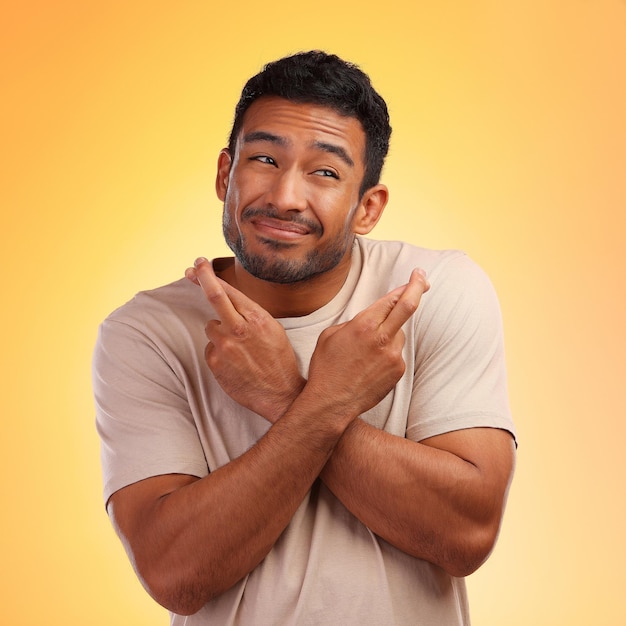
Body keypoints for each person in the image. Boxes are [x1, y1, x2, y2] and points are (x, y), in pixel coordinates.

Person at [93, 50, 516, 625]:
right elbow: (175, 574)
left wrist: (282, 392)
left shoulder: (433, 290)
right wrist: (324, 402)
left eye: (325, 172)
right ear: (225, 174)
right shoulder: (146, 333)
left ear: (368, 206)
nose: (285, 196)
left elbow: (467, 535)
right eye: (264, 159)